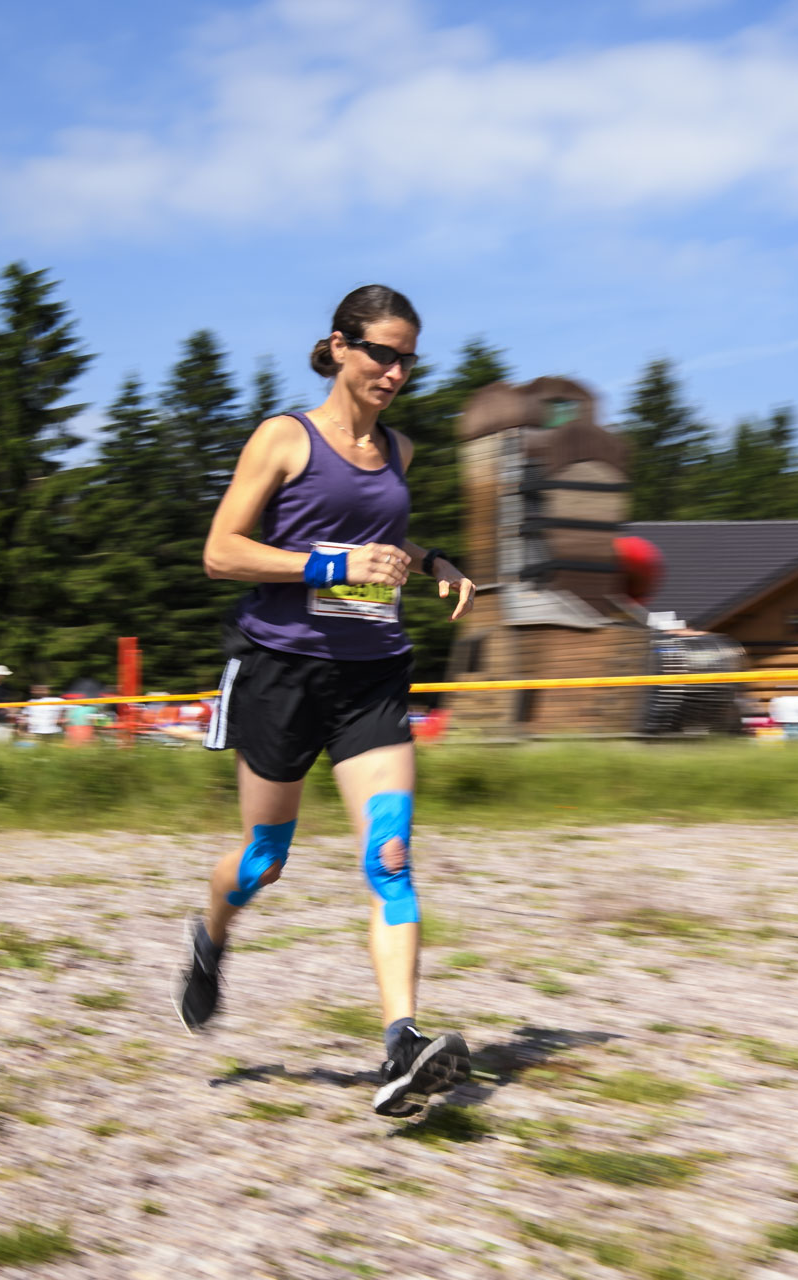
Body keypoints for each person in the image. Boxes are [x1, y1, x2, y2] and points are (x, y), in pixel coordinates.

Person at [175, 284, 478, 1118]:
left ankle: (403, 1044)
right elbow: (221, 553)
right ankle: (209, 937)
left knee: (391, 857)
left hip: (371, 675)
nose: (395, 372)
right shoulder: (284, 437)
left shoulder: (400, 449)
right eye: (381, 352)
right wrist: (330, 565)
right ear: (339, 346)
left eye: (407, 359)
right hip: (281, 671)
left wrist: (434, 562)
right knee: (263, 861)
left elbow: (381, 536)